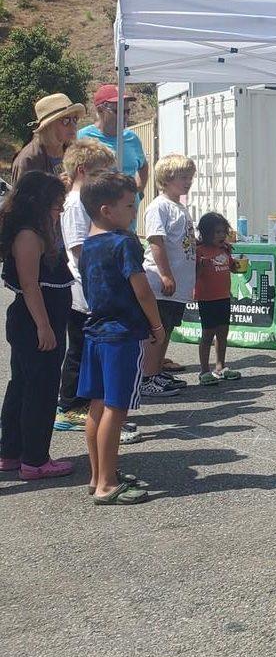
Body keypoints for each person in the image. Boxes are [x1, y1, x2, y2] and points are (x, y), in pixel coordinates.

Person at [77, 170, 163, 503]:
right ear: (106, 210)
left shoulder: (88, 244)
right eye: (129, 205)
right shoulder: (123, 241)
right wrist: (156, 326)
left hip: (95, 333)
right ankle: (107, 485)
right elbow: (142, 290)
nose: (134, 211)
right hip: (123, 334)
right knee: (117, 408)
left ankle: (99, 475)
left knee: (97, 407)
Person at [0, 171, 73, 481]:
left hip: (42, 319)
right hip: (35, 322)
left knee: (24, 385)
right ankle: (34, 458)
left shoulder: (38, 231)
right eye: (57, 206)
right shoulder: (29, 234)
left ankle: (11, 452)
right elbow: (31, 285)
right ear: (40, 204)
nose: (60, 212)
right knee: (39, 390)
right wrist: (44, 326)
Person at [55, 139, 116, 433]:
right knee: (79, 348)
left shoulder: (84, 200)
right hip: (82, 288)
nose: (106, 177)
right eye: (101, 171)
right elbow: (80, 248)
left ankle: (83, 402)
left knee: (85, 347)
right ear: (83, 170)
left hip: (89, 286)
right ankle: (69, 406)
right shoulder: (77, 203)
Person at [140, 155, 196, 398]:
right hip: (160, 283)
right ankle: (147, 377)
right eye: (183, 177)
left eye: (190, 177)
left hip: (179, 285)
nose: (188, 182)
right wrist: (165, 275)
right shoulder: (159, 206)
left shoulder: (180, 205)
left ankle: (157, 368)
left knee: (168, 327)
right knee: (157, 328)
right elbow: (156, 241)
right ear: (166, 179)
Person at [194, 212, 246, 386]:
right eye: (217, 232)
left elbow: (231, 267)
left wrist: (238, 264)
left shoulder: (225, 249)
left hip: (223, 296)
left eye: (224, 232)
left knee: (223, 332)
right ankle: (203, 370)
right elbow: (195, 275)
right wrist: (201, 265)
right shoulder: (199, 250)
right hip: (207, 298)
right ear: (206, 233)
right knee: (207, 334)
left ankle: (220, 366)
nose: (222, 235)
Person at [77, 85, 149, 196]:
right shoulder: (82, 138)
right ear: (100, 110)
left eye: (127, 111)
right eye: (118, 111)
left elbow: (143, 166)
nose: (124, 116)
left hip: (129, 211)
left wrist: (139, 190)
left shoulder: (132, 138)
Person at [10, 94, 84, 185]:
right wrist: (53, 187)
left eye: (75, 119)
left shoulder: (73, 151)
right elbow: (21, 198)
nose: (73, 125)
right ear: (49, 126)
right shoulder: (28, 160)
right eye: (66, 120)